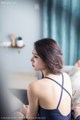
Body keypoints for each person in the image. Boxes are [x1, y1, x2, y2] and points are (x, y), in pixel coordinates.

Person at [17, 38, 80, 120]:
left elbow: (31, 118)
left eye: (35, 56)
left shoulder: (34, 86)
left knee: (18, 112)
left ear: (47, 59)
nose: (31, 60)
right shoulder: (66, 76)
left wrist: (25, 112)